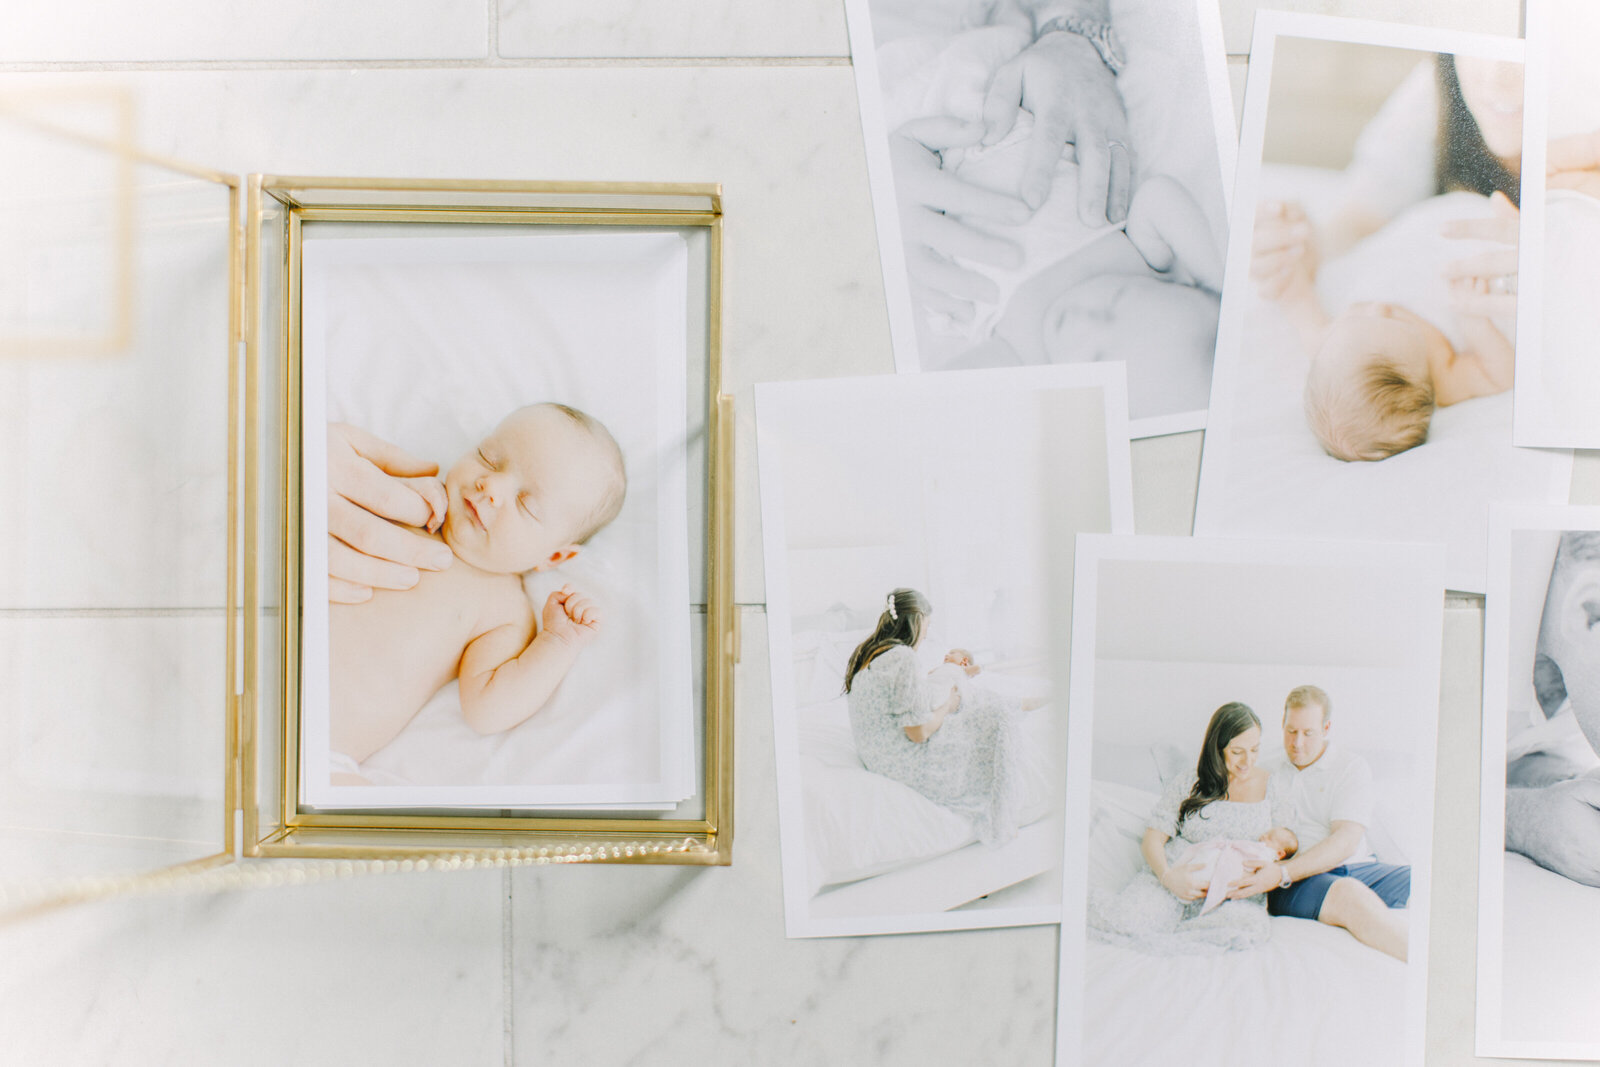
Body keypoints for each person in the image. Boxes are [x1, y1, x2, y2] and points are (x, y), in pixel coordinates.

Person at [327, 403, 625, 782]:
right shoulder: (413, 499)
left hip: (327, 747)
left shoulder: (504, 610)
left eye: (526, 504)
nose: (492, 486)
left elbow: (488, 711)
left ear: (554, 556)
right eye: (489, 457)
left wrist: (558, 643)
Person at [1088, 702, 1296, 954]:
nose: (1247, 761)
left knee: (1245, 932)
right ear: (1218, 748)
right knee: (1126, 921)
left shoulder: (1272, 786)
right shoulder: (1190, 781)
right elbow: (1153, 837)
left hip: (1233, 897)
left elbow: (1285, 849)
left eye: (1254, 750)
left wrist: (1268, 874)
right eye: (1237, 751)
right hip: (1175, 879)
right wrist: (1168, 876)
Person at [1228, 685, 1411, 961]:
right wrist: (1281, 873)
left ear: (1326, 728)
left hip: (1356, 867)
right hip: (1291, 879)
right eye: (1291, 731)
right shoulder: (1265, 768)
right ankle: (1430, 968)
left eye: (1308, 733)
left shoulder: (1351, 767)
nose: (1297, 743)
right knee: (1349, 895)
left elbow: (1346, 840)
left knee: (1428, 881)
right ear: (1282, 724)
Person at [842, 587, 1022, 845]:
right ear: (916, 622)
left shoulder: (868, 652)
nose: (926, 634)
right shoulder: (903, 657)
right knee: (998, 717)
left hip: (878, 755)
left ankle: (1016, 704)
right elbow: (918, 733)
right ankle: (1002, 818)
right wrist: (946, 706)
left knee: (977, 711)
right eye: (927, 625)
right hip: (904, 760)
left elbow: (902, 705)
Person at [1506, 531, 1600, 887]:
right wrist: (1523, 823)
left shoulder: (1583, 672)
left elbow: (1510, 754)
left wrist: (1562, 784)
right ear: (1587, 611)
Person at [326, 421, 456, 604]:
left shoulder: (504, 608)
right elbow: (374, 490)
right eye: (485, 457)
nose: (491, 484)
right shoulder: (429, 501)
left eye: (514, 500)